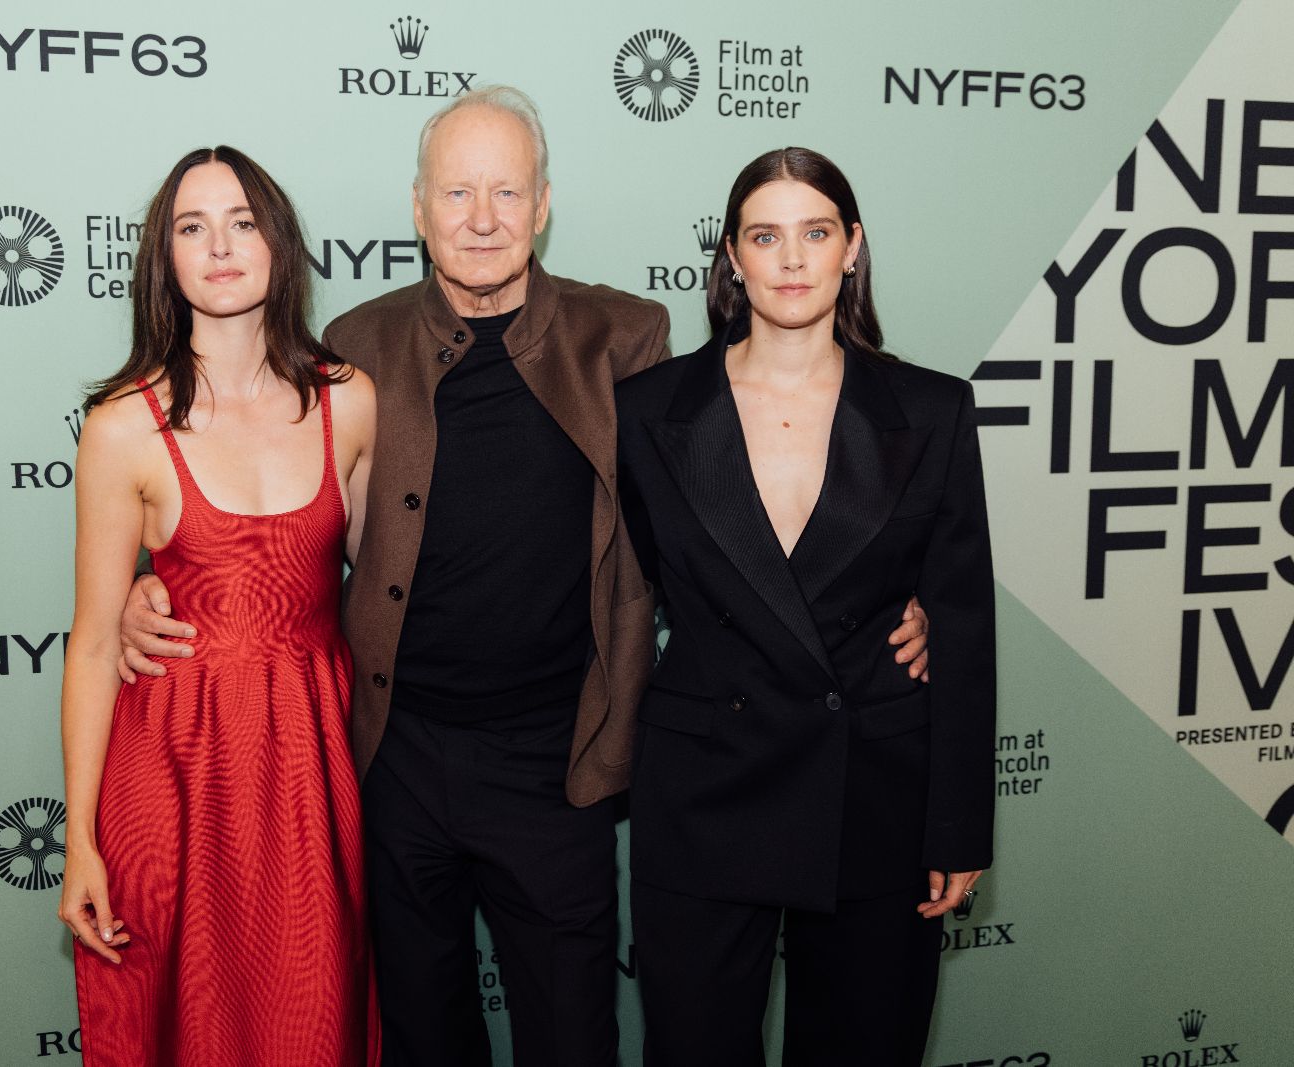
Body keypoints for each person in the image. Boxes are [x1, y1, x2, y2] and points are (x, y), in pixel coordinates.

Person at [119, 93, 930, 1067]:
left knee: (571, 1038)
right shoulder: (354, 345)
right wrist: (154, 580)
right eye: (456, 192)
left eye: (507, 192)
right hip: (394, 757)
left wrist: (869, 598)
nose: (482, 218)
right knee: (422, 1036)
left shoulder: (623, 336)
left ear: (543, 205)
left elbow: (726, 503)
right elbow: (263, 486)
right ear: (418, 208)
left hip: (556, 763)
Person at [615, 146, 996, 1066]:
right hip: (705, 789)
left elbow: (964, 625)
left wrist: (957, 824)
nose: (792, 259)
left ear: (852, 246)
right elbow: (626, 581)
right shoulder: (647, 410)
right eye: (765, 236)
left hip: (875, 789)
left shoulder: (933, 409)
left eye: (816, 232)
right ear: (732, 256)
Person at [58, 145, 380, 1067]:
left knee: (311, 1017)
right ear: (164, 258)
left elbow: (388, 581)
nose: (222, 246)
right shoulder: (123, 425)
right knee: (183, 1024)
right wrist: (79, 841)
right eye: (192, 228)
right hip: (171, 770)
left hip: (309, 764)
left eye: (243, 222)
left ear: (278, 242)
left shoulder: (349, 400)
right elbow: (93, 645)